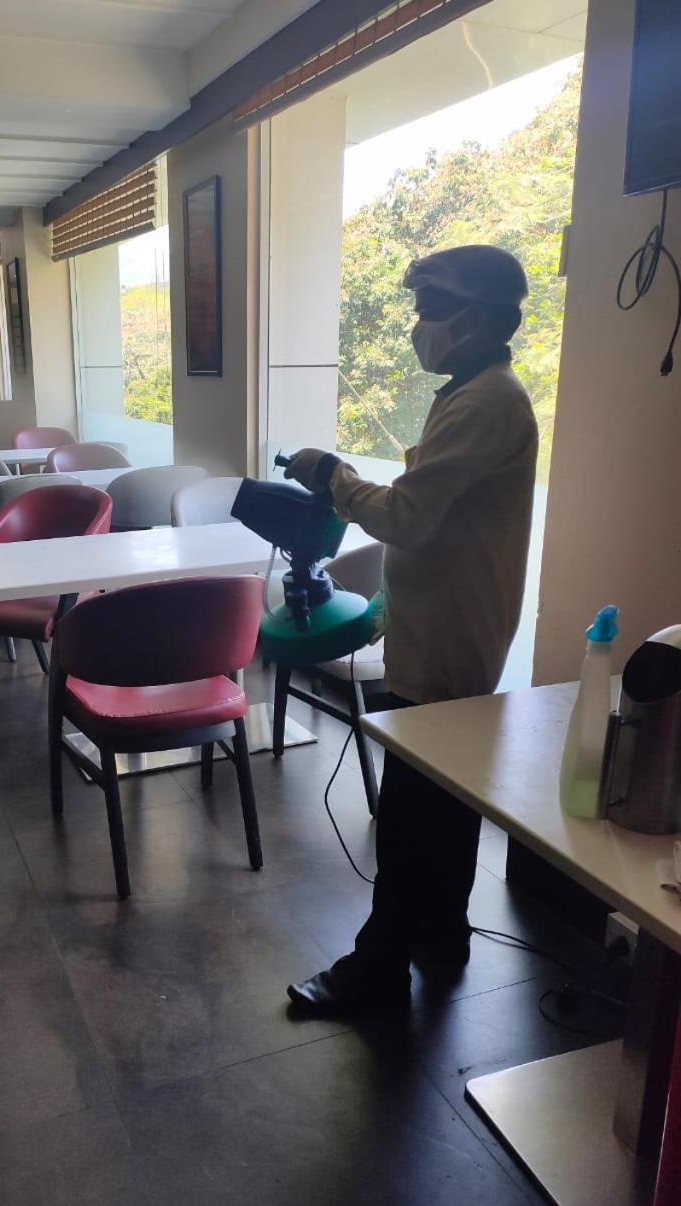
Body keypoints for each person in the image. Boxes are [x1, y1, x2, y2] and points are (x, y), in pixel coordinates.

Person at [284, 243, 538, 1017]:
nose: (418, 324)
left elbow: (408, 516)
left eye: (432, 308)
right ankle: (441, 932)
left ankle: (378, 969)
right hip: (448, 624)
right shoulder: (470, 393)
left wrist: (331, 475)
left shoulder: (488, 401)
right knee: (448, 797)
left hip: (448, 638)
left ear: (479, 317)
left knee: (409, 813)